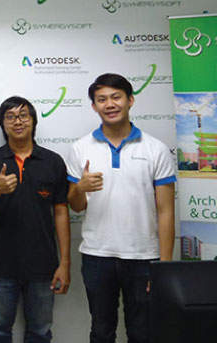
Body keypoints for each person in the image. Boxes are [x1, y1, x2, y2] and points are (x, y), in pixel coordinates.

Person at [67, 73, 175, 343]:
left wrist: (163, 266)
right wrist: (80, 187)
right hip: (97, 255)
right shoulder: (80, 148)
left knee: (142, 333)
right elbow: (76, 206)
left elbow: (166, 211)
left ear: (130, 100)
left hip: (144, 257)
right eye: (102, 99)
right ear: (94, 106)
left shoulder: (156, 149)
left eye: (116, 97)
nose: (110, 104)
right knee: (101, 332)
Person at [0, 96, 71, 343]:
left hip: (43, 266)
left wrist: (65, 263)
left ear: (33, 120)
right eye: (10, 117)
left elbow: (61, 212)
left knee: (40, 333)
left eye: (23, 115)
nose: (17, 121)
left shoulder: (53, 161)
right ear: (2, 124)